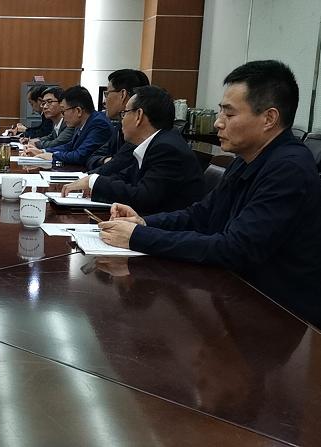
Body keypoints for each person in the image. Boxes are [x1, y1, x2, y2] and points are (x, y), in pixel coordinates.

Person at [99, 60, 321, 315]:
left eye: (229, 114)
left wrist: (138, 237)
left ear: (269, 118)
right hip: (234, 294)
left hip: (277, 312)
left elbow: (234, 249)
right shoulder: (247, 159)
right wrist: (145, 223)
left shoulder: (289, 169)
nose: (218, 123)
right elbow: (202, 214)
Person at [61, 86, 205, 214]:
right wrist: (94, 183)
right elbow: (126, 176)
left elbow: (143, 197)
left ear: (139, 116)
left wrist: (94, 181)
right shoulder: (155, 142)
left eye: (125, 113)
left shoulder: (166, 148)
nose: (122, 120)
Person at [86, 69, 151, 173]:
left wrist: (111, 163)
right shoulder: (120, 127)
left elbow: (117, 168)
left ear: (123, 94)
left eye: (107, 94)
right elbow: (92, 157)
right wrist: (107, 160)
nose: (104, 101)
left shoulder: (139, 130)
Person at [29, 86, 112, 165]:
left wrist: (53, 156)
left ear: (78, 111)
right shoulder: (81, 123)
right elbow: (70, 146)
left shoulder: (99, 124)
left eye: (63, 112)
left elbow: (80, 155)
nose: (62, 116)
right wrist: (43, 151)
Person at [19, 86, 75, 153]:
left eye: (49, 102)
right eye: (43, 103)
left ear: (61, 103)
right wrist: (33, 140)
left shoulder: (69, 122)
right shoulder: (55, 122)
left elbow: (57, 142)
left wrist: (36, 144)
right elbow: (51, 136)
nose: (44, 107)